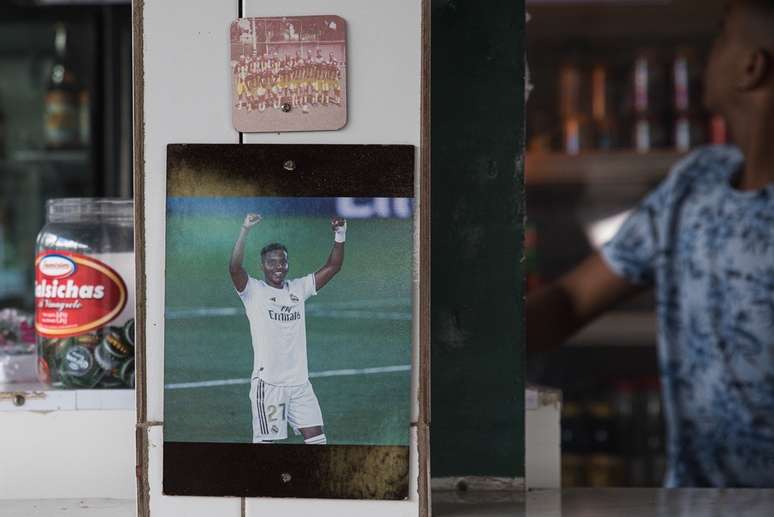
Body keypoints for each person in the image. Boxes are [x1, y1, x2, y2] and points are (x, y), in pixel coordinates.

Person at [527, 0, 774, 487]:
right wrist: (464, 337)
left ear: (752, 67)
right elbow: (573, 299)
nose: (710, 51)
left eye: (723, 36)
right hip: (697, 500)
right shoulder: (696, 182)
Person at [229, 213, 347, 445]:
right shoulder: (253, 291)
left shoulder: (298, 288)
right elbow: (234, 268)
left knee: (318, 441)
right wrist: (244, 230)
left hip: (300, 385)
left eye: (282, 261)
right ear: (262, 265)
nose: (278, 267)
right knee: (267, 451)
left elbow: (334, 266)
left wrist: (340, 233)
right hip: (270, 385)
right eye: (272, 262)